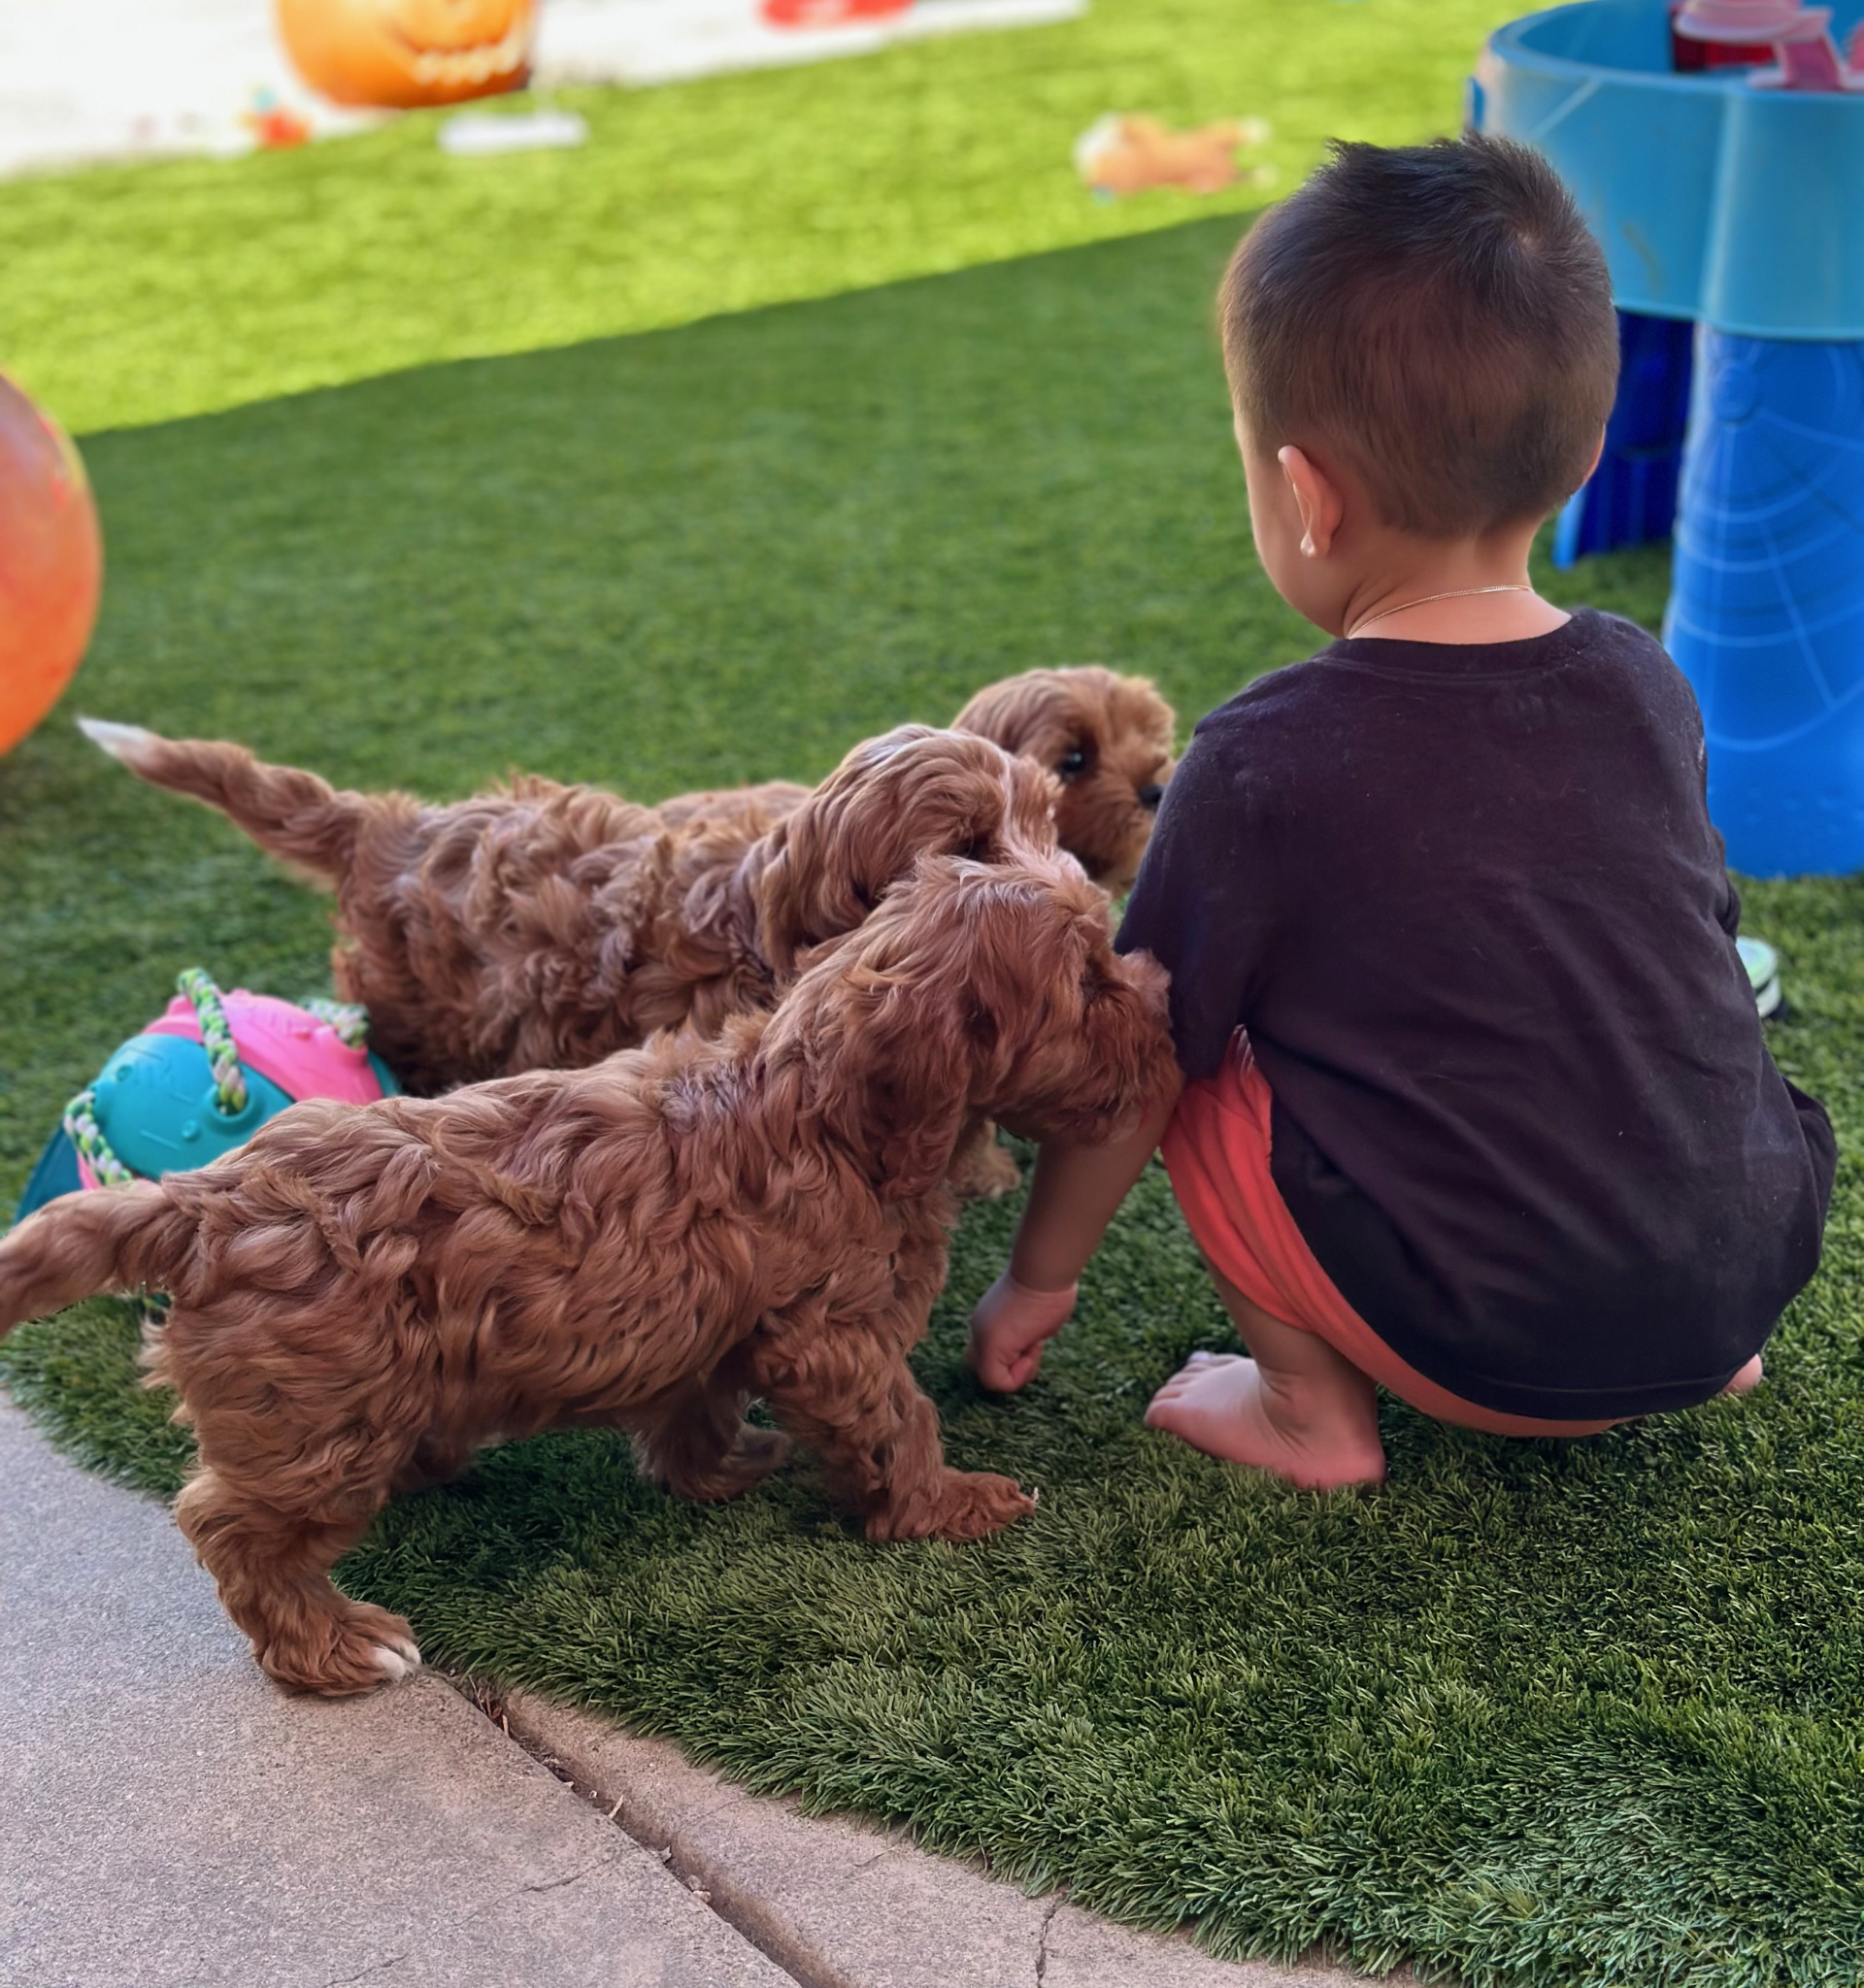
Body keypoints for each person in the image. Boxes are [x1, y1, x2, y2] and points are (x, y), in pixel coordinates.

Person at [967, 133, 1836, 1489]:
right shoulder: (1641, 678)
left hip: (1488, 1344)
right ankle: (1696, 1333)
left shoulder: (1259, 758)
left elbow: (1136, 1077)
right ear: (1590, 447)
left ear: (1304, 495)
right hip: (1744, 1283)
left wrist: (1034, 1285)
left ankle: (1306, 1413)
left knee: (1184, 1048)